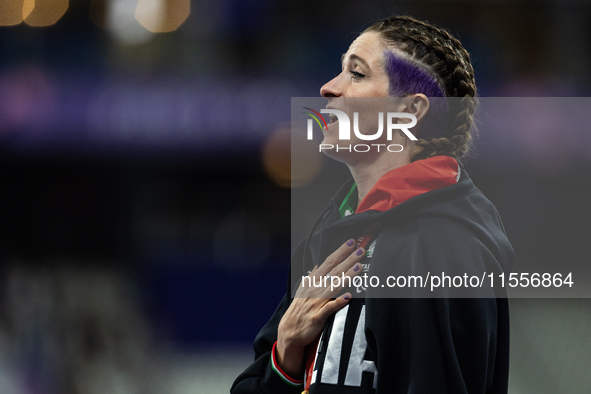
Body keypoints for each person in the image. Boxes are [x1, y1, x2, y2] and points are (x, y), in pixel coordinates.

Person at [231, 15, 514, 394]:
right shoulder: (330, 234)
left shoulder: (443, 241)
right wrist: (287, 354)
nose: (329, 88)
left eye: (357, 74)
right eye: (340, 71)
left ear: (411, 111)